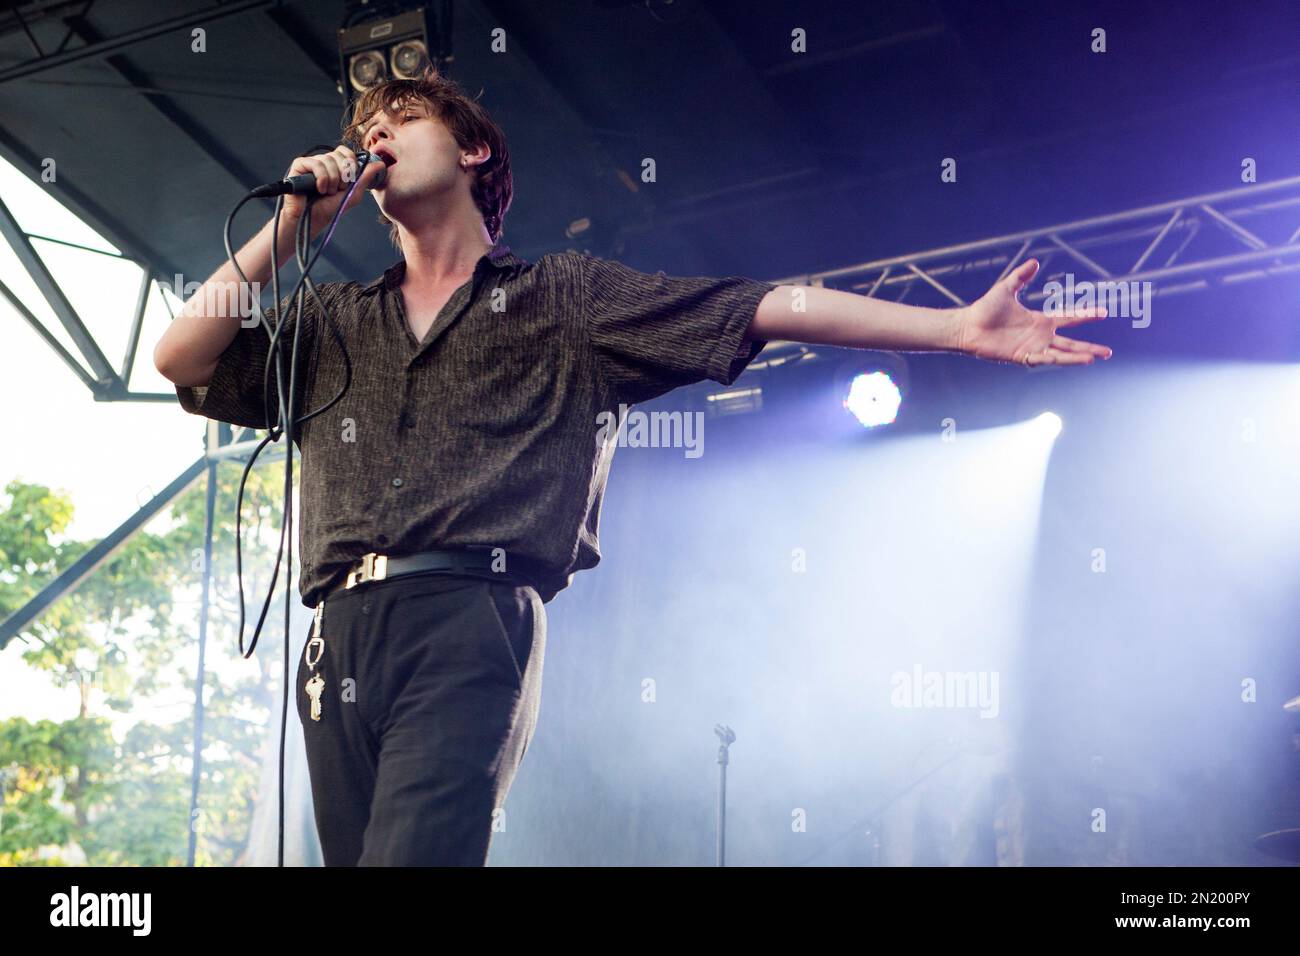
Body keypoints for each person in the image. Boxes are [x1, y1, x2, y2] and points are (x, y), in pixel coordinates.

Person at [152, 68, 1111, 867]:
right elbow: (180, 356)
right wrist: (289, 224)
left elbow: (760, 307)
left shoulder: (561, 297)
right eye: (366, 127)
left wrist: (952, 329)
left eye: (400, 117)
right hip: (338, 638)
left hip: (468, 619)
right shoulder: (334, 321)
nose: (376, 134)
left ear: (474, 149)